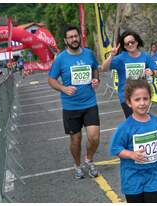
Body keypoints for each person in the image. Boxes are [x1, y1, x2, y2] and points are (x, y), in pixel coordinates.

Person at [48, 24, 101, 179]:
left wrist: (96, 79)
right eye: (70, 37)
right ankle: (77, 165)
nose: (74, 39)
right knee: (76, 140)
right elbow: (51, 80)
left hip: (90, 103)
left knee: (94, 137)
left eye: (76, 36)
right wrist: (63, 89)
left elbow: (95, 69)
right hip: (70, 106)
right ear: (66, 40)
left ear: (80, 37)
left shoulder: (89, 53)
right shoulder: (61, 59)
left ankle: (89, 160)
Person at [110, 78, 157, 203]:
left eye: (145, 98)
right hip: (133, 177)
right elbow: (115, 148)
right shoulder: (125, 127)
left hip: (154, 174)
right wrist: (131, 154)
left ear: (150, 99)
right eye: (137, 99)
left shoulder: (156, 121)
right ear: (129, 102)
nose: (142, 103)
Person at [101, 30, 157, 118]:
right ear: (124, 46)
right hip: (126, 97)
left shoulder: (145, 56)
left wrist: (152, 73)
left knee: (141, 120)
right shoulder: (120, 58)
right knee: (134, 120)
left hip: (141, 95)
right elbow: (103, 68)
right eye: (127, 44)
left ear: (137, 42)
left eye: (132, 42)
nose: (130, 45)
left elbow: (156, 71)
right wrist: (111, 55)